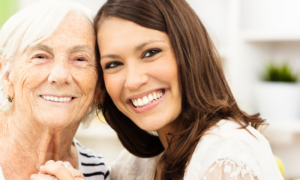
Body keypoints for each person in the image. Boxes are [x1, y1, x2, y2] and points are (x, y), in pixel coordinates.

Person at [34, 0, 284, 180]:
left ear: (189, 50)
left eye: (151, 53)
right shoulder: (134, 166)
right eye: (113, 64)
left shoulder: (227, 155)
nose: (133, 81)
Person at [0, 1, 109, 180]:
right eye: (40, 56)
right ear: (6, 75)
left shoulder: (98, 171)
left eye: (80, 59)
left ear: (99, 88)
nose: (59, 76)